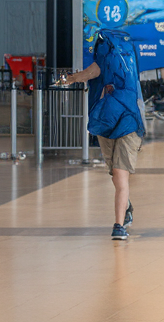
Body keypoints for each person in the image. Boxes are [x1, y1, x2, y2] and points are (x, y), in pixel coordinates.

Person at [61, 28, 148, 240]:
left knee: (118, 173)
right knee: (118, 175)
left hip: (110, 121)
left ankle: (119, 225)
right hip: (129, 121)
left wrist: (68, 79)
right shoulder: (129, 58)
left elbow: (86, 75)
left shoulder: (103, 60)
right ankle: (125, 205)